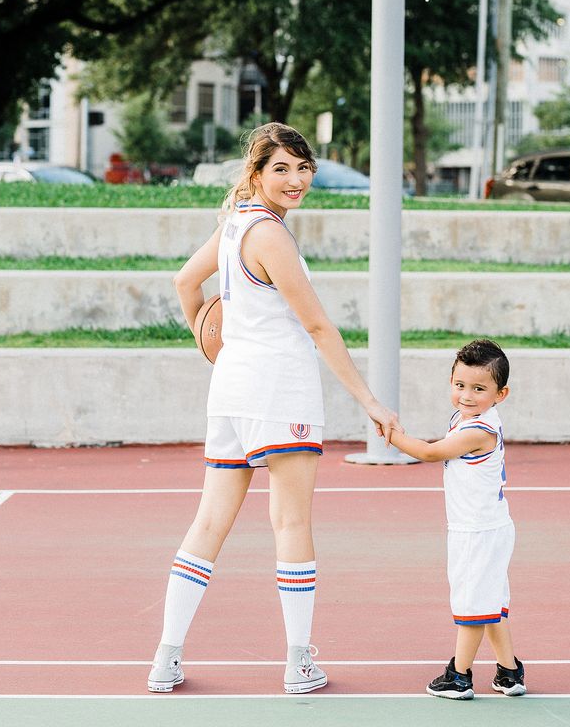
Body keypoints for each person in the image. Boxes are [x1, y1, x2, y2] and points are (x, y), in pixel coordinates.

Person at [148, 122, 400, 695]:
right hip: (279, 390)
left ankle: (166, 657)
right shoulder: (272, 236)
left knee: (209, 523)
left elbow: (186, 281)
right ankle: (297, 662)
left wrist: (208, 338)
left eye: (303, 167)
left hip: (233, 389)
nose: (296, 179)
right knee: (290, 522)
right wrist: (368, 400)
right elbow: (316, 325)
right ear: (256, 174)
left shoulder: (236, 223)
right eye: (280, 169)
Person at [387, 338, 526, 700]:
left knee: (472, 607)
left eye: (479, 389)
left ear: (501, 394)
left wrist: (393, 435)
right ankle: (509, 672)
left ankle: (459, 676)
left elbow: (431, 452)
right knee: (490, 602)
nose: (466, 395)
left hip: (476, 532)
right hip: (489, 526)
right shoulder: (465, 418)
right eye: (460, 385)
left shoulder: (477, 430)